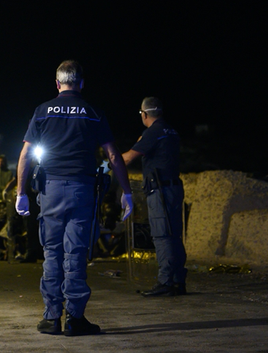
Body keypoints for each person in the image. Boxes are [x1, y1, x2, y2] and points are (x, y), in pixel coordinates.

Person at [16, 60, 133, 336]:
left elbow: (26, 155)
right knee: (77, 252)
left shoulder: (42, 111)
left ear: (57, 84)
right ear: (81, 83)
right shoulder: (93, 112)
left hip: (50, 189)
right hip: (82, 189)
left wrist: (21, 192)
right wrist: (126, 192)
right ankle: (75, 319)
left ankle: (51, 317)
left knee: (52, 252)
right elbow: (113, 156)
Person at [122, 97, 187, 297]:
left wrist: (108, 163)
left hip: (160, 190)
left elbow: (129, 158)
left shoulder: (153, 132)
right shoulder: (171, 131)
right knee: (174, 235)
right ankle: (177, 281)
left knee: (162, 235)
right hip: (174, 187)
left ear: (144, 114)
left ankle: (164, 282)